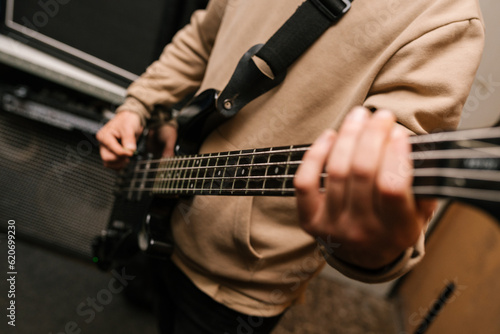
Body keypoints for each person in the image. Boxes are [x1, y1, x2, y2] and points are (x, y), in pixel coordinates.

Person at [96, 0, 485, 332]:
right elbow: (202, 37)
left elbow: (391, 184)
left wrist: (374, 245)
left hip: (238, 287)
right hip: (163, 206)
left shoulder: (444, 20)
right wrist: (139, 105)